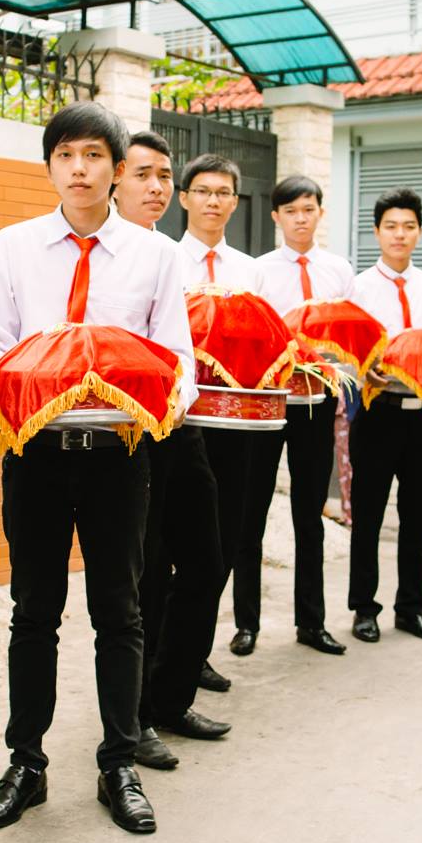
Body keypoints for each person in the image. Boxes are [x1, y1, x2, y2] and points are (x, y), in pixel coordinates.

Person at [0, 104, 197, 837]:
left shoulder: (154, 255)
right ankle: (26, 762)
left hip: (118, 457)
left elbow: (179, 365)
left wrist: (136, 398)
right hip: (35, 455)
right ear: (50, 166)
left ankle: (118, 761)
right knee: (33, 611)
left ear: (115, 167)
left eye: (94, 155)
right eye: (66, 154)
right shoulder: (10, 249)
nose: (80, 168)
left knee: (119, 610)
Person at [113, 140, 236, 773]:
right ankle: (131, 718)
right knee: (140, 580)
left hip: (177, 422)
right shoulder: (105, 254)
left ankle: (170, 695)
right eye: (145, 176)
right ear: (114, 181)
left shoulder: (168, 254)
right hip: (125, 432)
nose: (158, 187)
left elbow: (182, 348)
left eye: (165, 176)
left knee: (207, 561)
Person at [233, 175, 353, 656]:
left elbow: (348, 332)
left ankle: (312, 621)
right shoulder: (258, 271)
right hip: (268, 401)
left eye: (309, 209)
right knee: (251, 514)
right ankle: (247, 623)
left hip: (316, 404)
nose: (301, 218)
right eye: (291, 211)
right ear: (275, 217)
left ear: (320, 212)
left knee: (310, 515)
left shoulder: (339, 270)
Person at [167, 148, 262, 696]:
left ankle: (194, 651)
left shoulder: (250, 270)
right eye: (202, 191)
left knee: (222, 543)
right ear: (185, 198)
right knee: (174, 548)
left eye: (223, 192)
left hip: (234, 424)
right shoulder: (162, 259)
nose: (213, 201)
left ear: (234, 201)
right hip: (180, 425)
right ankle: (165, 652)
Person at [346, 188, 422, 643]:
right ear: (377, 232)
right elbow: (347, 352)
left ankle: (412, 607)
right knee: (367, 516)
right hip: (377, 413)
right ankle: (363, 609)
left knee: (419, 515)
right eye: (391, 226)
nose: (400, 235)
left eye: (408, 226)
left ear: (419, 232)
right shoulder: (359, 288)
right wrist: (364, 371)